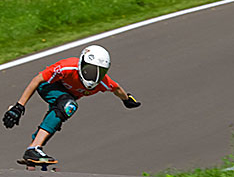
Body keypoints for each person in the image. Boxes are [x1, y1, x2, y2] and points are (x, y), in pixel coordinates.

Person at [2, 45, 141, 163]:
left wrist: (126, 99)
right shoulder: (66, 67)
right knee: (68, 105)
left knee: (56, 121)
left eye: (100, 72)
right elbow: (37, 80)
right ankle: (33, 149)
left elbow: (116, 89)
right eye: (90, 70)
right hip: (48, 86)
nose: (94, 77)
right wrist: (19, 106)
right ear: (81, 64)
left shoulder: (103, 82)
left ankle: (33, 151)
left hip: (65, 97)